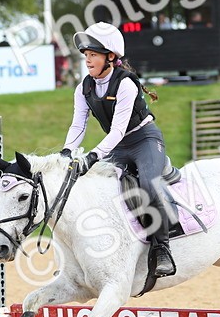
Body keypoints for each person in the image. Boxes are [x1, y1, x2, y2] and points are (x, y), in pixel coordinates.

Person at [61, 22, 176, 279]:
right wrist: (67, 152)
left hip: (144, 140)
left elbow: (117, 130)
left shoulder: (126, 84)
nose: (88, 60)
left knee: (147, 185)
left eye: (93, 55)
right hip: (118, 146)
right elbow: (78, 124)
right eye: (86, 55)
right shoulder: (84, 88)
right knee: (97, 189)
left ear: (110, 57)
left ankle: (162, 248)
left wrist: (92, 156)